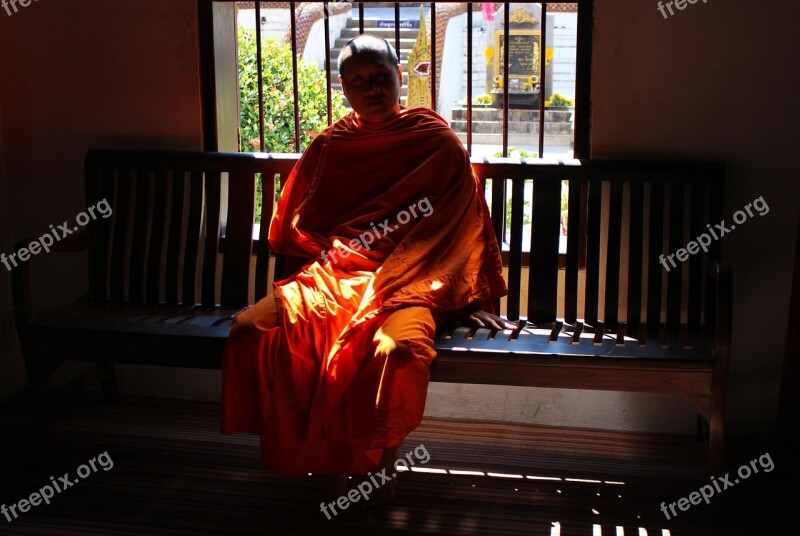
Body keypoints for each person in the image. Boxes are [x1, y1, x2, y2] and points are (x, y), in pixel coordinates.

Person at [221, 35, 511, 507]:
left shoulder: (434, 141)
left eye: (380, 78)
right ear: (343, 88)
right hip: (336, 276)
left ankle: (382, 463)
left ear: (400, 77)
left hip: (413, 281)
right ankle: (315, 456)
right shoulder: (332, 145)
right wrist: (309, 279)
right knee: (252, 328)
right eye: (358, 82)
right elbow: (300, 225)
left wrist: (469, 297)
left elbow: (466, 224)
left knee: (396, 353)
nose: (371, 89)